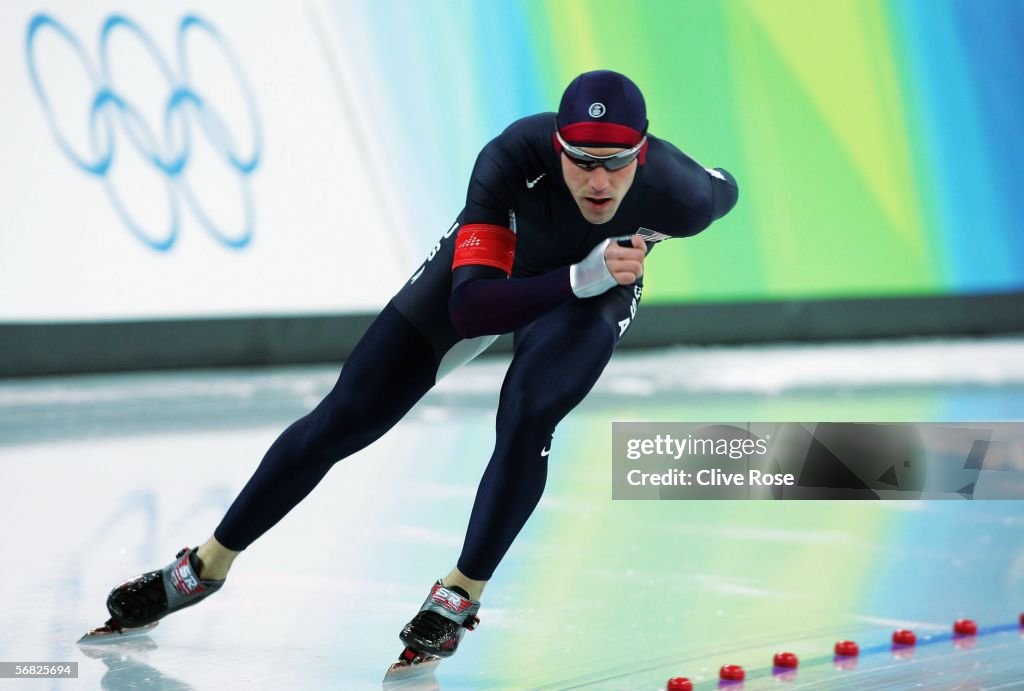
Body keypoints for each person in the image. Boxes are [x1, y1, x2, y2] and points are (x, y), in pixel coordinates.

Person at [97, 70, 739, 660]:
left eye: (617, 166)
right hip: (502, 277)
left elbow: (724, 189)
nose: (598, 184)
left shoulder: (681, 196)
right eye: (580, 162)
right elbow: (471, 311)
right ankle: (208, 564)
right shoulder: (512, 157)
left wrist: (592, 279)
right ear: (557, 147)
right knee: (343, 418)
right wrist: (578, 273)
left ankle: (461, 591)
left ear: (643, 155)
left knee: (528, 416)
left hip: (593, 295)